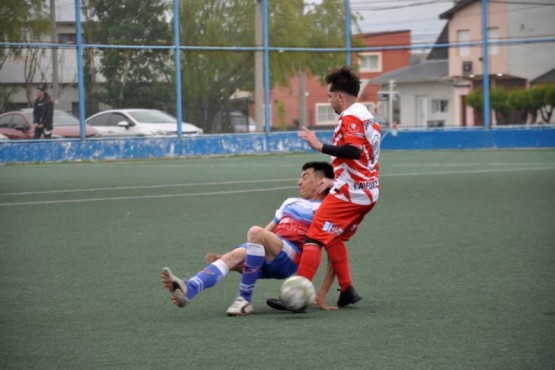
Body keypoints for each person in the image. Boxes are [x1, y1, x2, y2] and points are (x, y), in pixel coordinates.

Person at [267, 66, 381, 311]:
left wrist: (320, 147)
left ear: (340, 96)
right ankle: (348, 290)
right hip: (367, 191)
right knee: (333, 237)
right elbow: (362, 157)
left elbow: (354, 151)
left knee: (314, 236)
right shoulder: (365, 114)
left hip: (351, 193)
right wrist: (336, 179)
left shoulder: (351, 116)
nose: (328, 100)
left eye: (329, 96)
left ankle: (297, 295)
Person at [161, 161, 338, 316]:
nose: (299, 182)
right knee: (230, 258)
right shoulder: (290, 202)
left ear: (320, 181)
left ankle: (244, 299)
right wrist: (240, 251)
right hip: (272, 249)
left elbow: (334, 254)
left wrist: (321, 294)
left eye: (305, 177)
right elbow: (267, 231)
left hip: (292, 257)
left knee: (255, 232)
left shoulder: (328, 208)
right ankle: (188, 290)